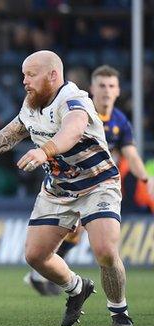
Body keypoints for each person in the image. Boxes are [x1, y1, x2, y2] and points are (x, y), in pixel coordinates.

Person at [0, 50, 133, 326]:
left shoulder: (74, 99)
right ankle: (77, 288)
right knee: (35, 256)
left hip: (97, 184)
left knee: (104, 250)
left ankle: (119, 311)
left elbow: (73, 131)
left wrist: (44, 151)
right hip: (59, 189)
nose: (25, 81)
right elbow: (14, 131)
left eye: (31, 75)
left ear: (53, 75)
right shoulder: (32, 103)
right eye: (23, 75)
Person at [25, 64, 154, 296]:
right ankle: (44, 272)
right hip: (67, 183)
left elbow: (131, 154)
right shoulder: (77, 109)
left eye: (111, 86)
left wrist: (146, 179)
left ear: (118, 91)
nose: (106, 91)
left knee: (81, 234)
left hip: (98, 185)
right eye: (102, 85)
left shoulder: (120, 122)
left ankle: (43, 274)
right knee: (73, 231)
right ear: (92, 89)